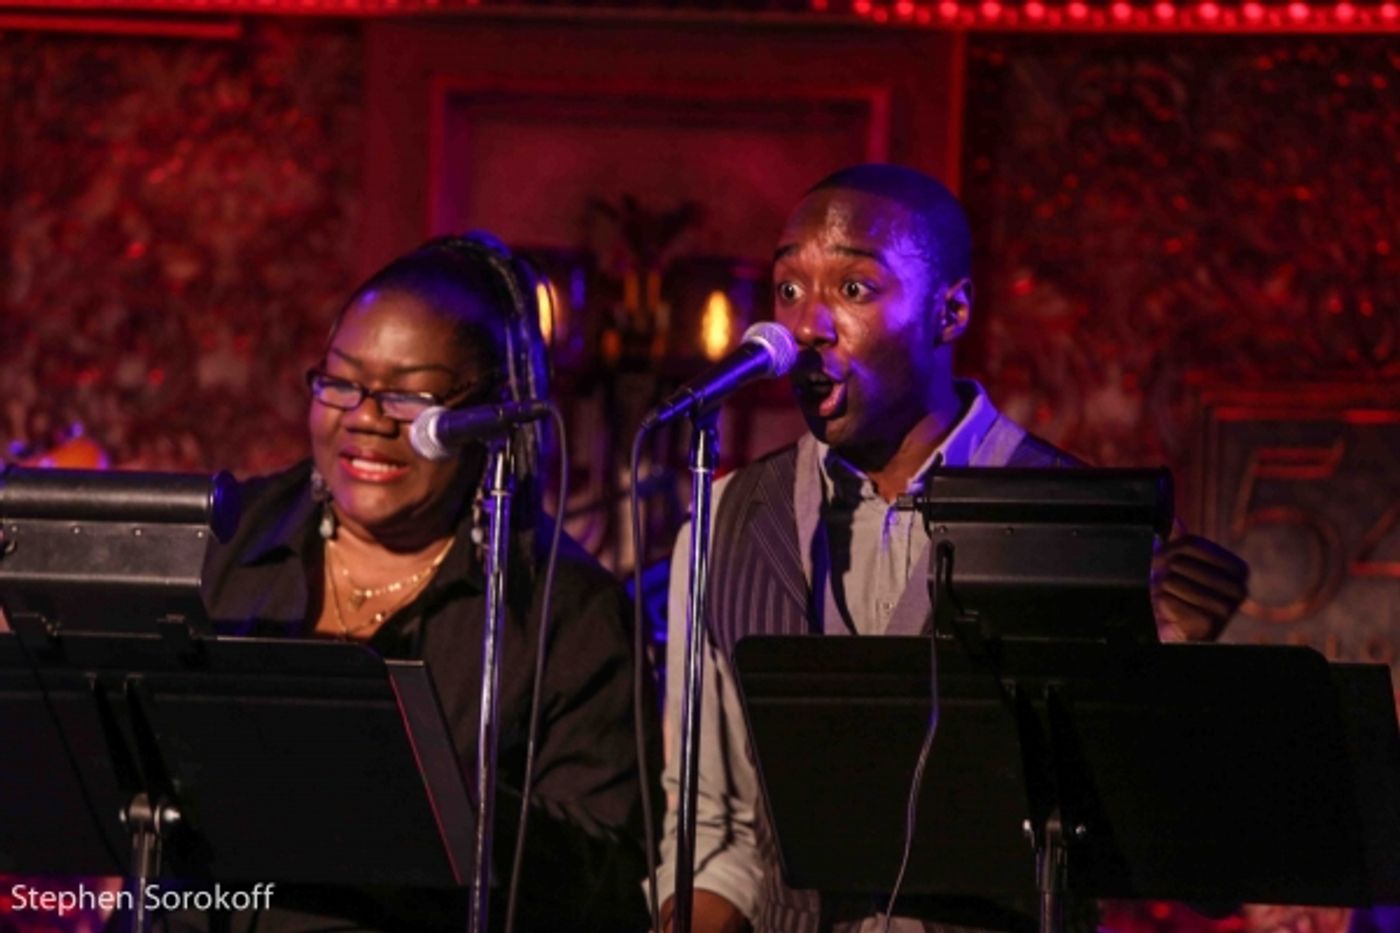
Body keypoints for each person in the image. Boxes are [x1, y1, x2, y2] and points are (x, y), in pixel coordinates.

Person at [656, 164, 1249, 933]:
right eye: (790, 289)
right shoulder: (724, 521)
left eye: (854, 289)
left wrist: (1171, 664)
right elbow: (714, 824)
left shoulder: (1084, 523)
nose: (808, 326)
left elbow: (1185, 864)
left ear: (951, 310)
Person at [195, 233, 658, 932]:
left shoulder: (567, 618)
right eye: (341, 382)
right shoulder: (223, 537)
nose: (367, 418)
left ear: (494, 412)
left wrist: (411, 791)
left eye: (411, 397)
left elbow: (598, 881)